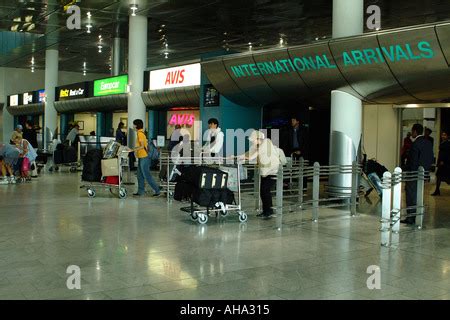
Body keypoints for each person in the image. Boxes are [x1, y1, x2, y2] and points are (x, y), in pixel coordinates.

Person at [237, 130, 281, 219]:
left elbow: (254, 155)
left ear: (258, 138)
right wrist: (237, 156)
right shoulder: (257, 145)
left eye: (253, 140)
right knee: (264, 191)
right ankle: (267, 211)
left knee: (265, 191)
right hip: (265, 172)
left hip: (273, 171)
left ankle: (268, 212)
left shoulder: (266, 142)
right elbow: (249, 153)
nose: (252, 142)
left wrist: (246, 158)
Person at [401, 124, 434, 225]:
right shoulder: (428, 143)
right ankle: (418, 216)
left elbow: (413, 161)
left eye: (412, 131)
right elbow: (430, 158)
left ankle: (411, 218)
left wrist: (404, 168)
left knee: (410, 195)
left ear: (415, 132)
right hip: (423, 173)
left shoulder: (415, 144)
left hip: (414, 173)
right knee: (419, 195)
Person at [130, 119, 160, 197]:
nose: (133, 126)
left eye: (133, 124)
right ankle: (141, 191)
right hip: (141, 157)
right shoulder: (140, 133)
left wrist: (132, 150)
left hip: (144, 157)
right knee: (140, 175)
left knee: (146, 175)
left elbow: (142, 146)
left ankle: (157, 190)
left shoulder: (140, 134)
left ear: (136, 125)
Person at [431, 130, 450, 196]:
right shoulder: (443, 142)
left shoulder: (447, 143)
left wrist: (443, 161)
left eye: (444, 135)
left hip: (445, 163)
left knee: (445, 177)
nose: (443, 136)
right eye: (442, 135)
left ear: (447, 136)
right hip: (441, 163)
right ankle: (437, 190)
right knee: (439, 176)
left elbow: (447, 154)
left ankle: (437, 190)